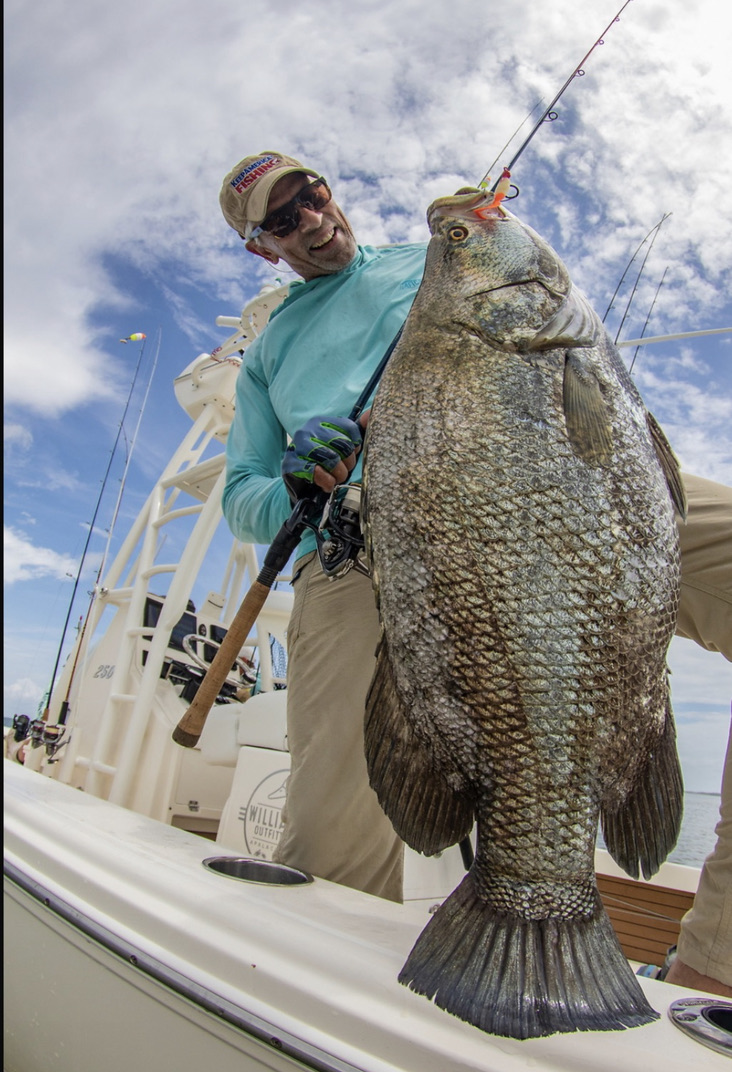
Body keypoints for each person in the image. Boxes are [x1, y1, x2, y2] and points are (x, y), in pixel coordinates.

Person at [218, 151, 732, 989]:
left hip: (576, 489)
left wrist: (464, 232)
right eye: (282, 219)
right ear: (261, 247)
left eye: (312, 194)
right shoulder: (268, 351)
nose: (310, 218)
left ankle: (716, 965)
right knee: (332, 820)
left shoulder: (427, 267)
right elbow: (242, 495)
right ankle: (312, 994)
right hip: (364, 544)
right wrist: (293, 481)